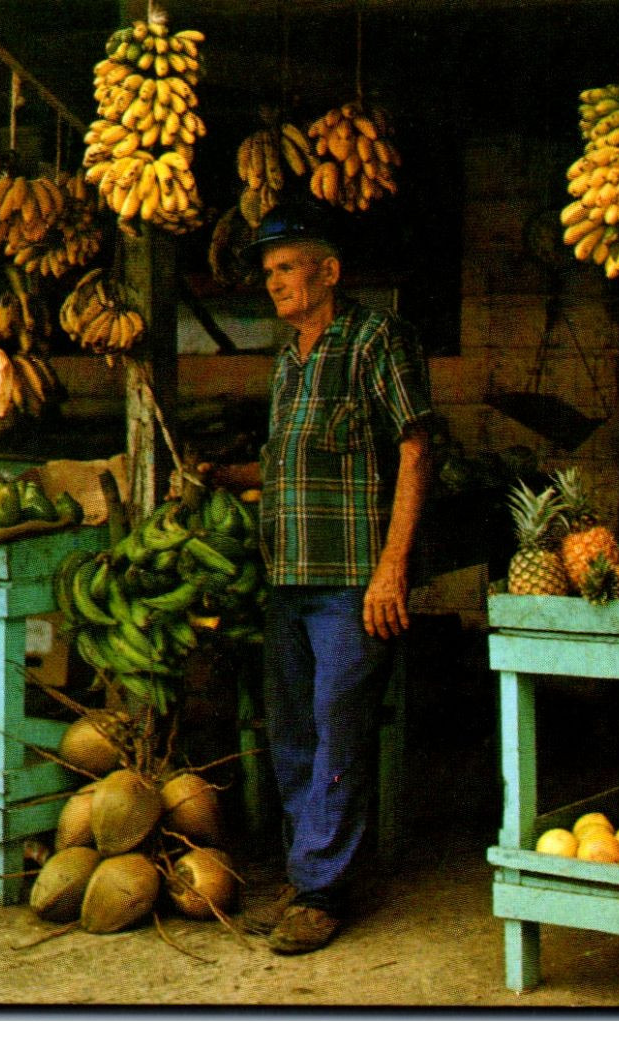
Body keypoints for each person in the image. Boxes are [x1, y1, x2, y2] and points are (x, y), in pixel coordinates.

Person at [202, 201, 434, 955]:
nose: (271, 282)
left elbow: (414, 448)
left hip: (350, 580)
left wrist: (391, 569)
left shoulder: (376, 340)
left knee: (337, 724)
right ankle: (308, 876)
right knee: (295, 732)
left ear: (327, 271)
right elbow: (288, 464)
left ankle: (322, 890)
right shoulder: (289, 358)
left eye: (284, 267)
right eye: (265, 271)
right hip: (288, 577)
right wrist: (223, 473)